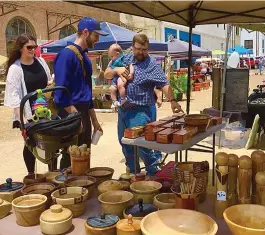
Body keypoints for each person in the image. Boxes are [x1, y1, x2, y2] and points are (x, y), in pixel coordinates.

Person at [104, 33, 183, 176]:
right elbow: (106, 73)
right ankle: (134, 173)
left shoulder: (151, 64)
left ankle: (153, 173)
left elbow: (164, 83)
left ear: (148, 49)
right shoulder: (125, 58)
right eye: (138, 48)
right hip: (124, 110)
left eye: (144, 49)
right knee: (125, 142)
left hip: (140, 111)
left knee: (142, 146)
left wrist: (172, 100)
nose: (141, 52)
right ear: (132, 47)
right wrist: (117, 69)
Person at [53, 17, 107, 170]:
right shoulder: (66, 55)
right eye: (96, 36)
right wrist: (75, 117)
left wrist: (94, 121)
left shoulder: (85, 58)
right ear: (85, 32)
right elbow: (60, 93)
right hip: (70, 114)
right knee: (70, 155)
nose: (97, 40)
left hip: (82, 112)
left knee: (84, 154)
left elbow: (87, 94)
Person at [4, 34, 56, 174]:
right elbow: (12, 95)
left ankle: (53, 173)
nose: (33, 49)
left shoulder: (40, 61)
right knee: (30, 144)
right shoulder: (15, 68)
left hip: (45, 108)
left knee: (52, 141)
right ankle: (31, 175)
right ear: (21, 48)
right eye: (29, 47)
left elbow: (48, 82)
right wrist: (22, 119)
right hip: (28, 112)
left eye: (35, 46)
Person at [108, 44, 134, 108]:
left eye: (112, 56)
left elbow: (131, 65)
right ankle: (114, 101)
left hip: (121, 76)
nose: (111, 58)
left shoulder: (124, 58)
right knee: (112, 88)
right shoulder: (112, 61)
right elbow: (107, 71)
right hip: (115, 77)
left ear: (117, 54)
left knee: (120, 85)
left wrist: (131, 73)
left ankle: (123, 98)